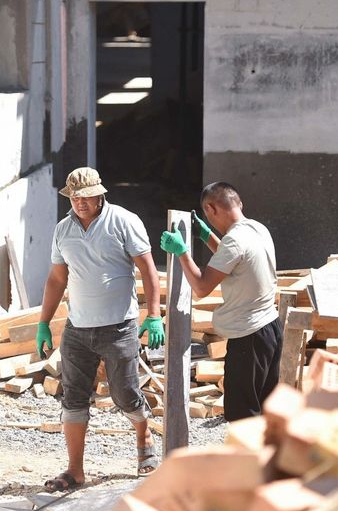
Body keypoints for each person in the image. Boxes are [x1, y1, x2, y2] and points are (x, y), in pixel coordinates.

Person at [36, 167, 164, 491]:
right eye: (75, 197)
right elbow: (56, 279)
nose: (81, 202)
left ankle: (143, 435)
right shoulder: (63, 230)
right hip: (78, 329)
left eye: (86, 196)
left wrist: (154, 315)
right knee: (73, 399)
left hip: (119, 326)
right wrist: (43, 324)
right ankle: (75, 471)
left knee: (125, 395)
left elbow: (148, 269)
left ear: (99, 194)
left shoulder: (123, 221)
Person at [160, 182, 282, 421]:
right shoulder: (257, 228)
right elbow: (232, 261)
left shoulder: (234, 240)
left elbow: (202, 287)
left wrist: (182, 252)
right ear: (239, 203)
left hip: (250, 336)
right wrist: (207, 236)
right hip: (270, 328)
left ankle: (245, 459)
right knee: (264, 412)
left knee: (243, 417)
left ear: (211, 208)